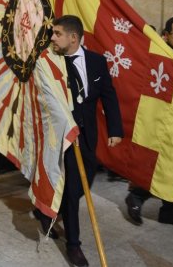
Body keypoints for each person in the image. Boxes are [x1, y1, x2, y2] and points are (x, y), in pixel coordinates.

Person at [33, 15, 123, 267]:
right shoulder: (51, 63)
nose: (52, 38)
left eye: (57, 33)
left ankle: (44, 210)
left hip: (88, 136)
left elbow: (109, 95)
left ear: (73, 38)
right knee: (73, 190)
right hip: (62, 136)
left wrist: (115, 128)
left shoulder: (96, 62)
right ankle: (74, 246)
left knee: (84, 184)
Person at [124, 16, 173, 231]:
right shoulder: (161, 54)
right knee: (157, 165)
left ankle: (168, 212)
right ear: (166, 35)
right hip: (160, 119)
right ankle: (136, 197)